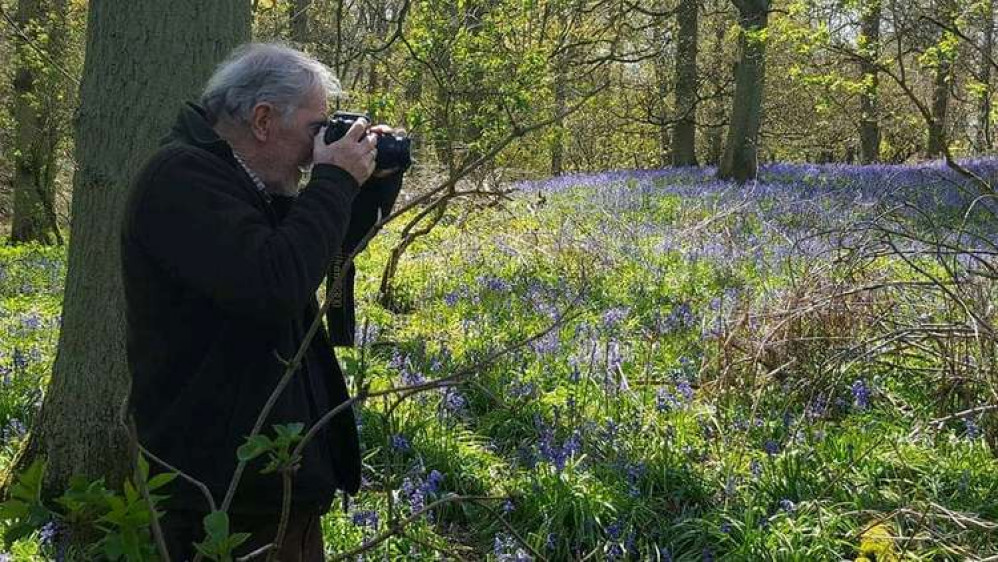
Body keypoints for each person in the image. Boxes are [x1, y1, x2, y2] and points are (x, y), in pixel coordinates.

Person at [120, 43, 405, 561]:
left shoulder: (245, 182)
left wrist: (363, 186)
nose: (318, 146)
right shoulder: (182, 180)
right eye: (316, 129)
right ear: (263, 120)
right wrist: (333, 178)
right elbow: (275, 284)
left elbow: (317, 253)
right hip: (224, 492)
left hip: (269, 479)